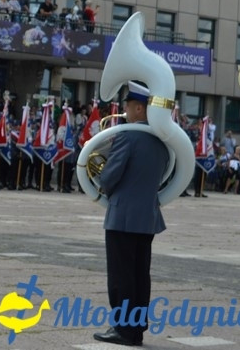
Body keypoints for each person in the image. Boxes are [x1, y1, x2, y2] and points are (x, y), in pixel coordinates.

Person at [92, 81, 168, 347]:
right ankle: (136, 329)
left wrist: (99, 177)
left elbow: (111, 177)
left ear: (139, 108)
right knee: (139, 275)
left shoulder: (127, 135)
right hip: (147, 217)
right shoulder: (161, 140)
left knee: (121, 276)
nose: (123, 111)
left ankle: (123, 329)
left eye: (126, 106)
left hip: (123, 215)